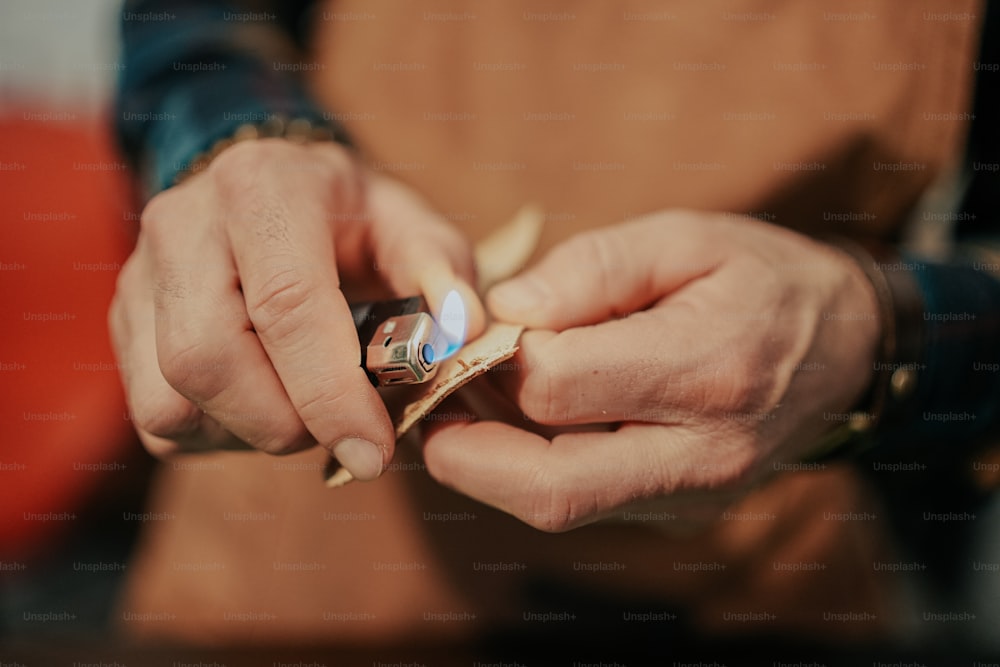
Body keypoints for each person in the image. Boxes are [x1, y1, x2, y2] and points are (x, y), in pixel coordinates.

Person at [112, 0, 1000, 649]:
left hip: (758, 586)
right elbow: (189, 25)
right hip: (291, 579)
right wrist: (235, 139)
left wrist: (883, 331)